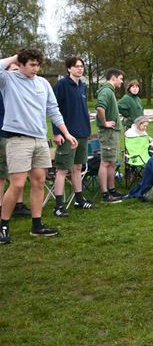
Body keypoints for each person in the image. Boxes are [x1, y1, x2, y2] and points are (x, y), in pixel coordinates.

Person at [0, 49, 78, 244]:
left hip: (40, 139)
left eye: (38, 65)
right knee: (17, 184)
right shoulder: (8, 80)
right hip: (18, 139)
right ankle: (3, 226)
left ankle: (37, 225)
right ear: (21, 64)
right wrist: (15, 58)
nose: (36, 69)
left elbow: (53, 110)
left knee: (39, 182)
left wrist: (66, 133)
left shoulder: (43, 83)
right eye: (32, 65)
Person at [52, 56, 94, 217]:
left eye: (82, 66)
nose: (80, 69)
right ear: (69, 68)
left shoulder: (82, 86)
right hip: (67, 135)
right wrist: (57, 132)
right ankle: (58, 205)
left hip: (82, 133)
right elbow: (53, 109)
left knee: (77, 167)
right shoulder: (62, 85)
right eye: (76, 66)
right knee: (62, 170)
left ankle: (79, 200)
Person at [0, 62, 32, 224]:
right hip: (2, 134)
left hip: (18, 137)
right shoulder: (4, 86)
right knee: (1, 175)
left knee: (19, 175)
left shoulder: (19, 89)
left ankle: (18, 205)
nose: (16, 74)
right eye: (12, 71)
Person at [96, 68, 125, 202]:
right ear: (113, 77)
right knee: (105, 163)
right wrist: (105, 123)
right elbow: (100, 107)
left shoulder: (110, 91)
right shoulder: (106, 91)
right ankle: (105, 194)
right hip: (108, 133)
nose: (122, 81)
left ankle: (112, 190)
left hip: (113, 133)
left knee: (112, 162)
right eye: (121, 78)